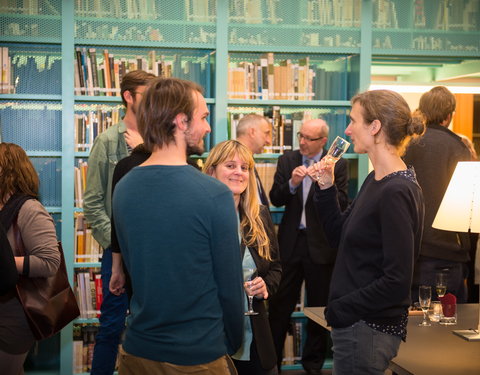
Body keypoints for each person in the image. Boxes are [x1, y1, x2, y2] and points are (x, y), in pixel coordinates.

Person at [112, 77, 244, 374]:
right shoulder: (214, 194)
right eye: (204, 117)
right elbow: (230, 288)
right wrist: (230, 341)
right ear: (182, 121)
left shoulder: (124, 187)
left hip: (136, 351)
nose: (209, 127)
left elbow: (136, 268)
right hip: (197, 356)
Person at [312, 90, 425, 374]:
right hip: (360, 325)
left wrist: (342, 308)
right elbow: (339, 236)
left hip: (367, 328)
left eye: (353, 121)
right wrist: (326, 188)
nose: (347, 130)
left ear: (375, 127)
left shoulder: (396, 190)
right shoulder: (375, 181)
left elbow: (397, 279)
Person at [83, 70, 156, 374]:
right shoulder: (107, 141)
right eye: (147, 94)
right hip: (118, 256)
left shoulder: (158, 141)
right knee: (111, 327)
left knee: (153, 325)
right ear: (128, 97)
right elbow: (92, 202)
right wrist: (118, 247)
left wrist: (145, 148)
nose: (154, 101)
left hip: (155, 252)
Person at [268, 119, 349, 374]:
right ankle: (272, 365)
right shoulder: (287, 160)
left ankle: (313, 366)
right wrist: (292, 183)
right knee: (280, 308)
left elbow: (343, 203)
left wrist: (325, 182)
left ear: (323, 142)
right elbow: (275, 198)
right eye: (301, 136)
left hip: (321, 247)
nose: (302, 142)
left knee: (318, 309)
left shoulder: (338, 163)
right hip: (291, 244)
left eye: (309, 138)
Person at [203, 140, 282, 375]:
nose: (239, 172)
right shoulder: (199, 218)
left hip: (255, 335)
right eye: (230, 165)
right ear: (211, 171)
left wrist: (265, 285)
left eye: (244, 167)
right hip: (212, 336)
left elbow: (276, 268)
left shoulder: (260, 216)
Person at [403, 86, 472, 303]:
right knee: (445, 325)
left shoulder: (405, 144)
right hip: (446, 251)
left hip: (408, 248)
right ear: (449, 115)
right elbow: (468, 204)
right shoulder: (457, 147)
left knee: (413, 322)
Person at [0, 143, 60, 375]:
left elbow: (49, 261)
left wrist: (7, 263)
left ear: (9, 171)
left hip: (17, 314)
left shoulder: (29, 209)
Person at [236, 114, 273, 205]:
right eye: (266, 133)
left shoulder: (249, 160)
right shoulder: (234, 161)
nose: (269, 141)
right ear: (252, 132)